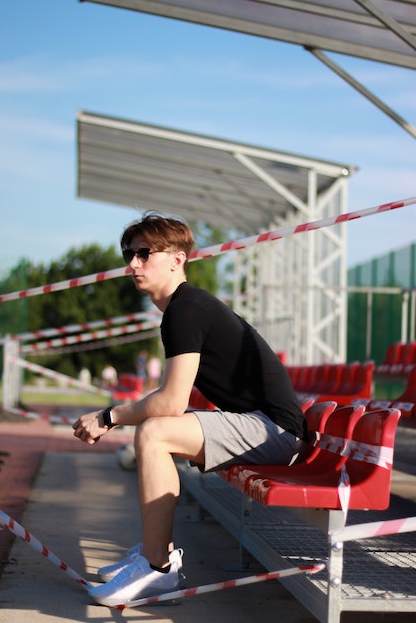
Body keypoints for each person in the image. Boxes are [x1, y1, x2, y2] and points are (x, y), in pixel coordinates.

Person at [73, 212, 309, 607]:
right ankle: (155, 554)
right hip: (264, 426)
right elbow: (169, 397)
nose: (133, 264)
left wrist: (108, 416)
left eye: (144, 253)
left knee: (153, 431)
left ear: (177, 259)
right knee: (152, 429)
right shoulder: (182, 309)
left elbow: (170, 402)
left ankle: (157, 568)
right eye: (129, 254)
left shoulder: (186, 309)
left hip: (277, 431)